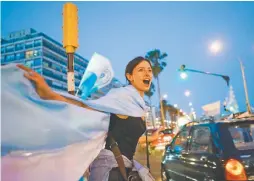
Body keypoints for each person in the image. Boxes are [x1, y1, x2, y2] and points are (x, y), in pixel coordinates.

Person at [16, 56, 161, 181]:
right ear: (130, 76)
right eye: (141, 70)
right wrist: (49, 94)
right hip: (112, 169)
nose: (147, 73)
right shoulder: (122, 97)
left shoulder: (138, 105)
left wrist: (150, 138)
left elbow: (123, 135)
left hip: (124, 167)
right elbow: (86, 107)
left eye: (149, 70)